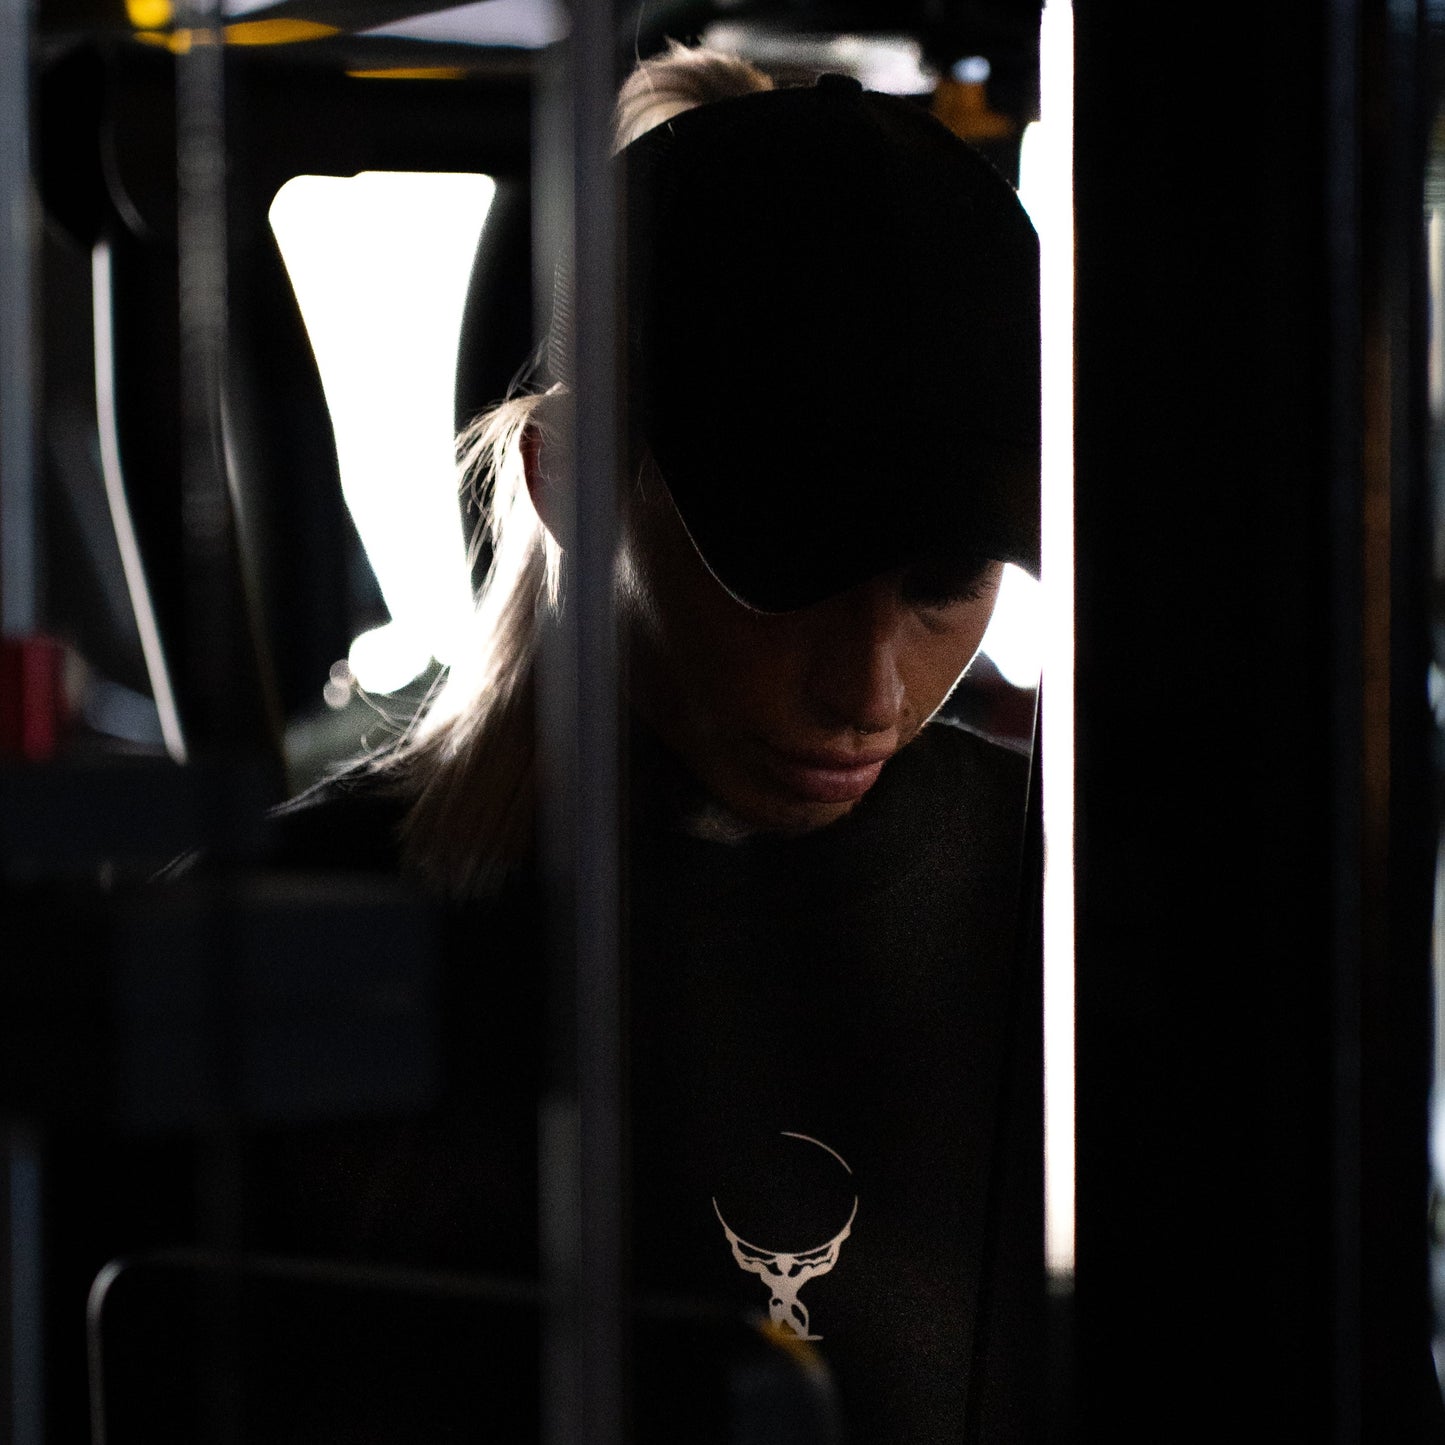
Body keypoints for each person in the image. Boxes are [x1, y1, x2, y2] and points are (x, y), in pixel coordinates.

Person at [255, 39, 1043, 1444]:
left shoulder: (1072, 916)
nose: (867, 687)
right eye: (779, 571)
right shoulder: (283, 955)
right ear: (564, 481)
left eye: (942, 586)